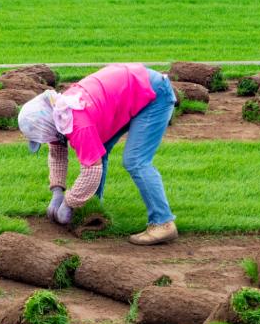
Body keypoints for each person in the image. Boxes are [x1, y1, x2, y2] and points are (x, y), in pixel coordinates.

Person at [18, 63, 179, 246]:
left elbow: (92, 170)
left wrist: (69, 202)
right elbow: (57, 152)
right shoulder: (58, 113)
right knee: (98, 149)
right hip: (129, 91)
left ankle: (163, 223)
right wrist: (57, 190)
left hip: (152, 94)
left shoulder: (78, 123)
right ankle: (91, 207)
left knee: (135, 161)